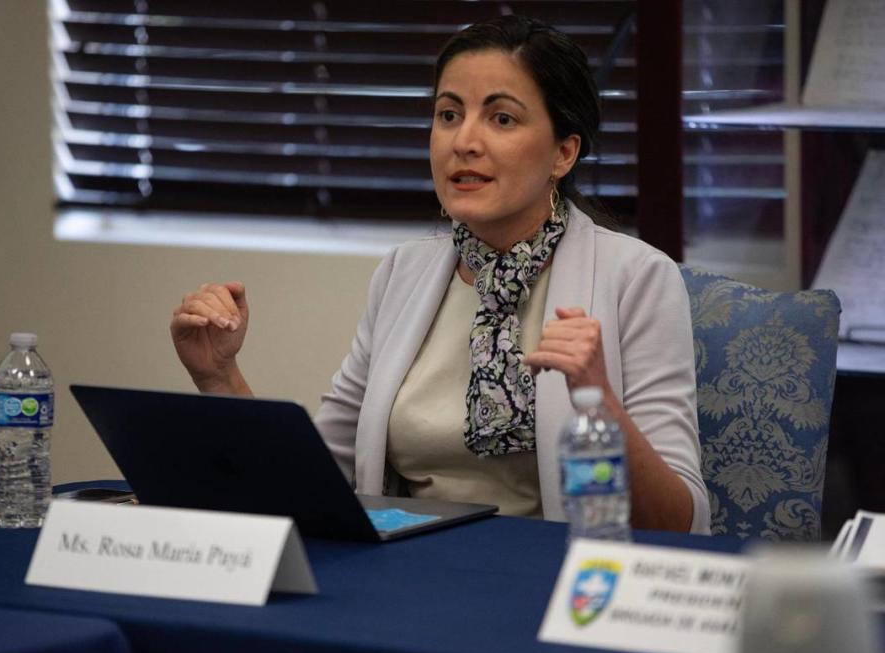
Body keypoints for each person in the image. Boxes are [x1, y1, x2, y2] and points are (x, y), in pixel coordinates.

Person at [170, 15, 711, 534]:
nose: (463, 141)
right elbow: (317, 484)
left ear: (563, 153)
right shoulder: (403, 274)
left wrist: (598, 400)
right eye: (449, 114)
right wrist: (220, 377)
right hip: (407, 577)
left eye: (501, 118)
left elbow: (678, 523)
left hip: (555, 582)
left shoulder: (636, 278)